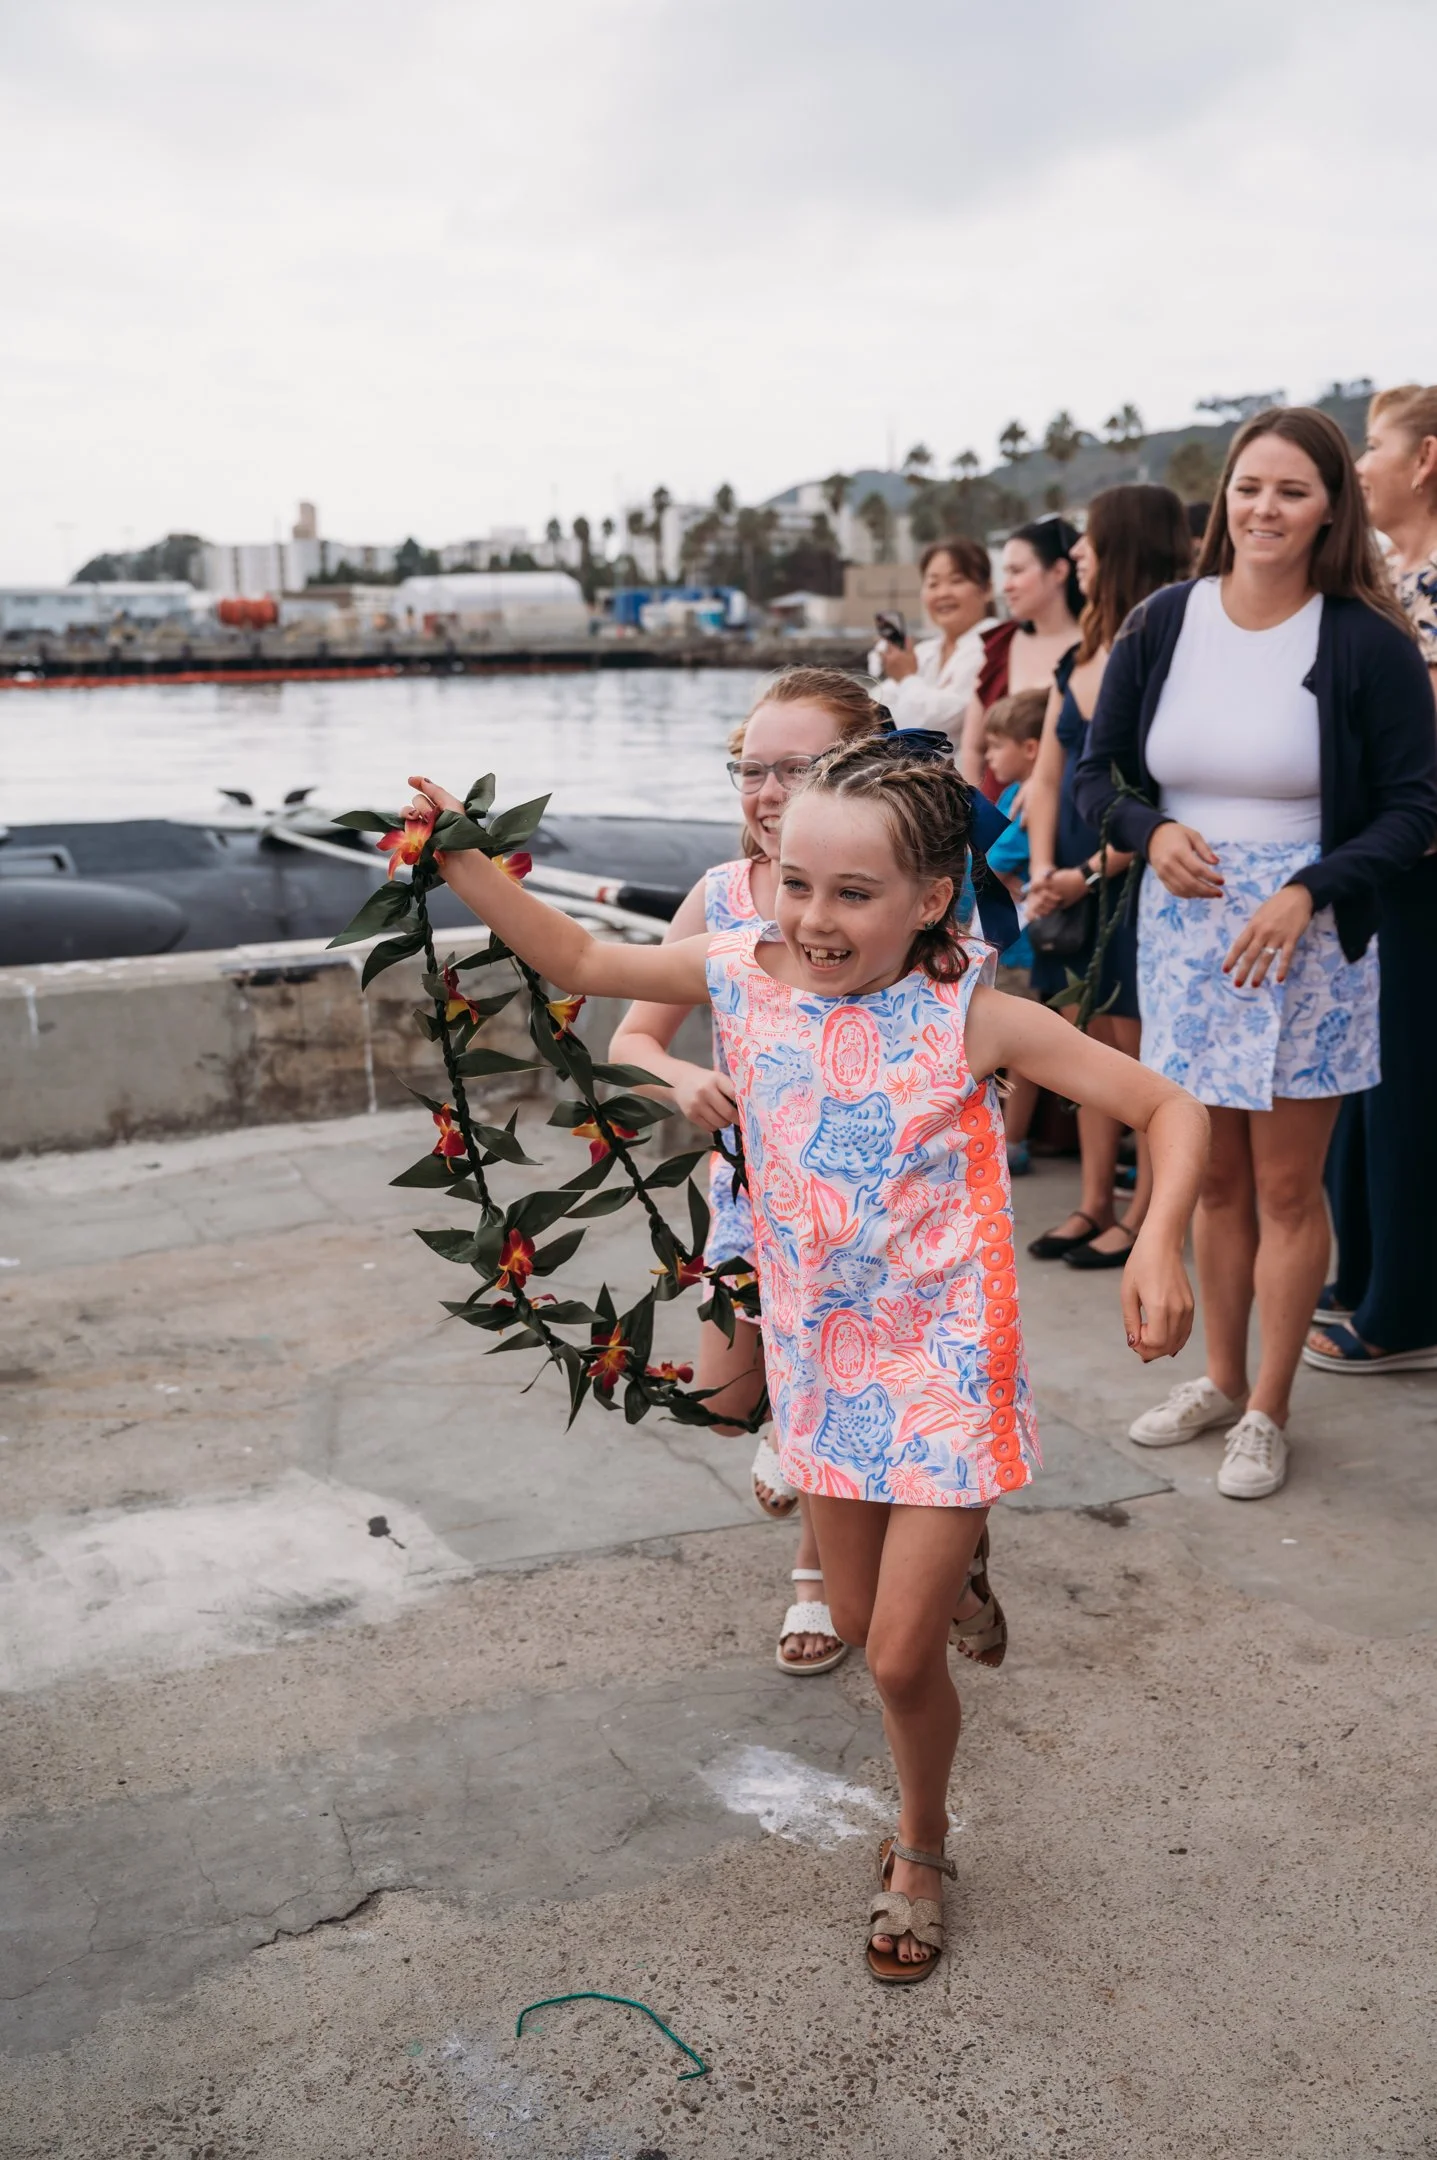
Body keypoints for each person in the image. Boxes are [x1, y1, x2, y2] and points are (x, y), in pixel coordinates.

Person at [400, 740, 1208, 1981]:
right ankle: (959, 1573)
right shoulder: (741, 972)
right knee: (885, 1613)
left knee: (891, 1655)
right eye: (794, 883)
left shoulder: (974, 1015)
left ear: (931, 898)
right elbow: (574, 959)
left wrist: (1161, 1244)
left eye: (852, 893)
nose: (813, 920)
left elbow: (1172, 1107)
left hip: (944, 1360)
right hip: (823, 1361)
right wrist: (461, 855)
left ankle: (921, 1845)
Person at [1075, 405, 1437, 1499]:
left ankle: (1270, 1411)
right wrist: (1151, 832)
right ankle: (1221, 1382)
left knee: (1286, 1187)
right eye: (1248, 487)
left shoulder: (1366, 640)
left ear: (1332, 508)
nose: (1263, 508)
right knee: (1208, 1177)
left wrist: (1307, 890)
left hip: (1310, 942)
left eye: (1292, 490)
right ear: (1223, 498)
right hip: (1185, 939)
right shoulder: (1162, 622)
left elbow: (1414, 810)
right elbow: (1099, 779)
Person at [609, 665, 877, 1676]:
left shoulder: (895, 894)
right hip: (753, 1197)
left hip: (870, 1209)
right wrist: (682, 1079)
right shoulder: (719, 897)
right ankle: (795, 1431)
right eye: (750, 769)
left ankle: (816, 1575)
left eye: (794, 770)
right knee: (724, 1408)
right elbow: (632, 1035)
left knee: (826, 1394)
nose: (766, 793)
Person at [1023, 485, 1192, 1269]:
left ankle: (1145, 1211)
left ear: (1121, 545)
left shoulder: (1168, 644)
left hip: (1134, 877)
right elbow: (1050, 779)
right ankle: (1093, 1201)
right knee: (1080, 1039)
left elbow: (1157, 796)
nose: (1077, 553)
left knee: (1142, 1054)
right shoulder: (1077, 655)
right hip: (1068, 878)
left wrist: (1086, 874)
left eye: (1088, 539)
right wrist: (1043, 869)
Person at [1307, 383, 1437, 1373]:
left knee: (1406, 1086)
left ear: (1426, 460)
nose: (1360, 467)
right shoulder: (1395, 575)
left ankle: (1406, 1310)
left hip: (1421, 868)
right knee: (1364, 1077)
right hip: (1375, 863)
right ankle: (1363, 1272)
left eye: (1376, 447)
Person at [956, 517, 1082, 795]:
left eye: (1016, 571)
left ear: (1059, 570)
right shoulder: (1001, 645)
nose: (1006, 586)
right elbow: (973, 748)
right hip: (995, 824)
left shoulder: (1095, 648)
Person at [978, 687, 1049, 1174]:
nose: (987, 755)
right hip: (1005, 940)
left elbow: (996, 862)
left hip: (1020, 948)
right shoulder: (1010, 794)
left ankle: (1014, 1139)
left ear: (1030, 749)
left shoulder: (1026, 799)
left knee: (1020, 1049)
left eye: (996, 744)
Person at [870, 538, 997, 747]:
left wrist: (907, 678)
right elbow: (878, 706)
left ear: (987, 589)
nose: (943, 593)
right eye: (933, 584)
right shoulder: (925, 651)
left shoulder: (993, 645)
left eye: (956, 580)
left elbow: (941, 723)